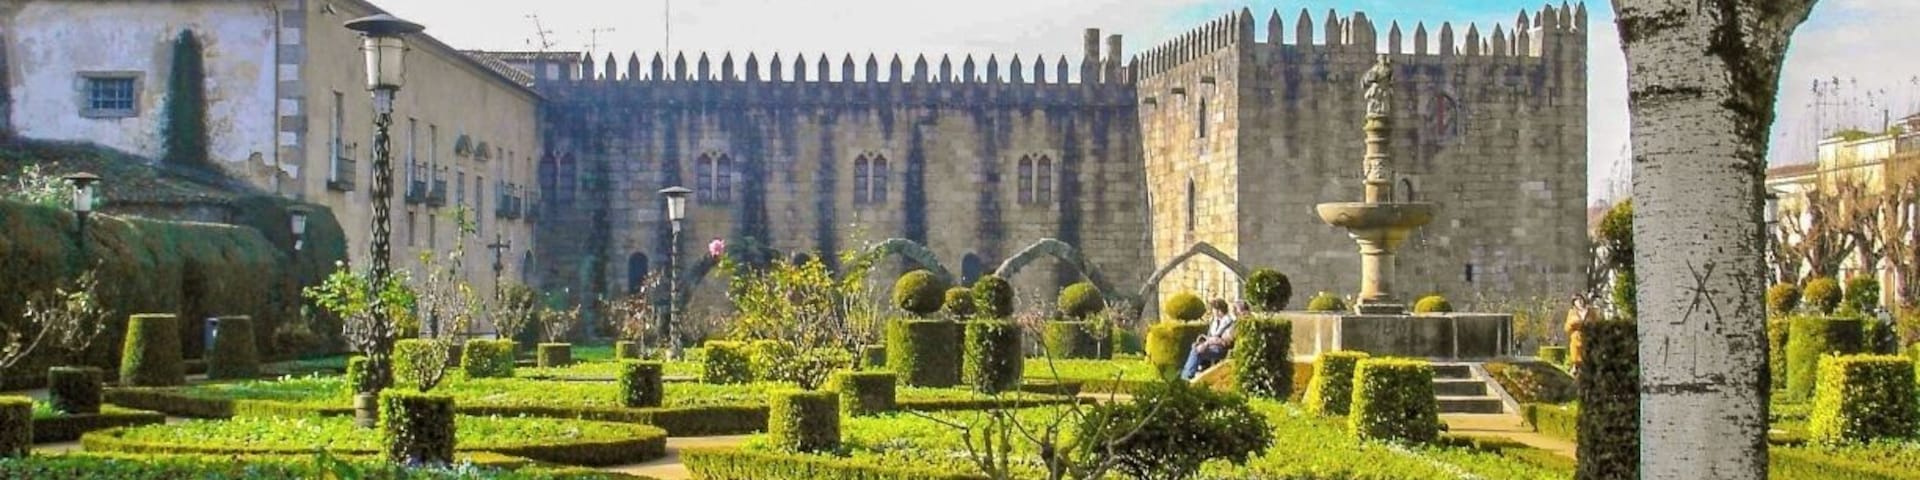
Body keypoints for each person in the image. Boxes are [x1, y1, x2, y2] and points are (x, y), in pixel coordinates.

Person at [1181, 299, 1240, 380]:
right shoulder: (1214, 321)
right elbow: (1210, 336)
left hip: (1221, 349)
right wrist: (1204, 342)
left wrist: (1210, 342)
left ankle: (1186, 376)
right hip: (1211, 345)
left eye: (1214, 309)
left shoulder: (1229, 322)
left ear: (1219, 310)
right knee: (1195, 346)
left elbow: (1226, 341)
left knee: (1197, 351)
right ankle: (1195, 370)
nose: (1212, 311)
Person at [1563, 293, 1597, 375]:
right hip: (1576, 341)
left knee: (1588, 362)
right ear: (1574, 303)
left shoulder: (1591, 311)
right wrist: (1573, 323)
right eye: (1577, 300)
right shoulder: (1572, 312)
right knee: (1577, 362)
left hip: (1588, 340)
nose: (1580, 302)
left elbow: (1597, 324)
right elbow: (1567, 328)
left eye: (1581, 299)